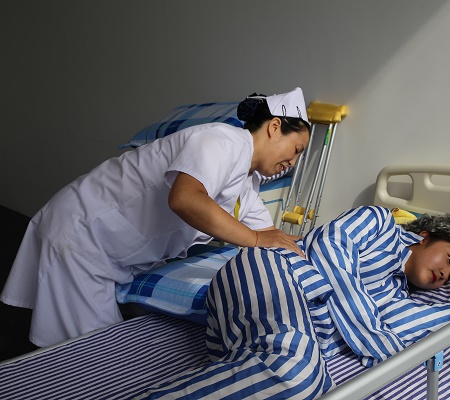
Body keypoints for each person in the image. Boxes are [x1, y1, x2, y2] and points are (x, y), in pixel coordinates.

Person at [0, 87, 311, 347]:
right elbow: (185, 199)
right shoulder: (222, 140)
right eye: (296, 149)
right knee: (92, 356)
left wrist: (311, 247)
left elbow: (274, 237)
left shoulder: (246, 184)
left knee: (86, 351)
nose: (293, 162)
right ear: (274, 127)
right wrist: (254, 238)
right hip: (81, 236)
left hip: (104, 253)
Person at [132, 206, 450, 399]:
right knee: (299, 374)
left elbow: (406, 322)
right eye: (449, 259)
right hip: (273, 272)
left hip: (286, 328)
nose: (446, 274)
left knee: (309, 383)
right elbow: (330, 247)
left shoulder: (396, 294)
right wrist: (373, 335)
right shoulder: (379, 223)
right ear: (424, 236)